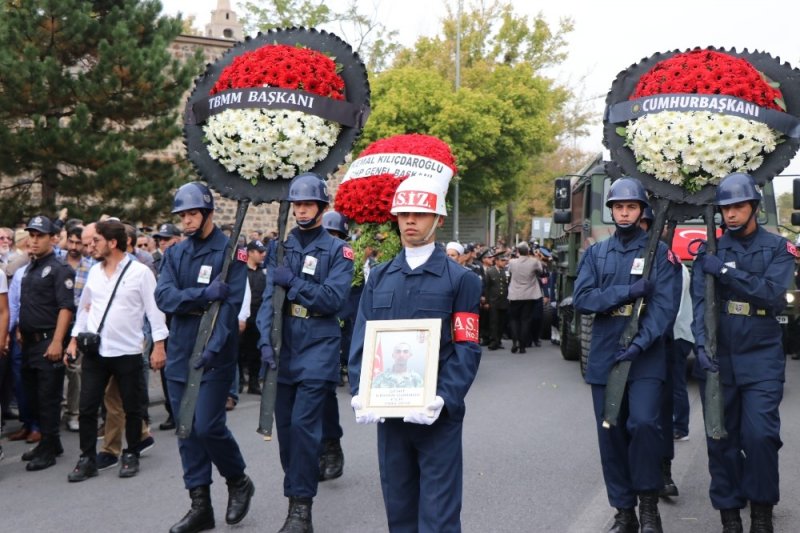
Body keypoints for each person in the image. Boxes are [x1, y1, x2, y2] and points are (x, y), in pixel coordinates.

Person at [349, 174, 482, 532]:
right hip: (391, 416)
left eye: (420, 213)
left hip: (436, 416)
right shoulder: (379, 278)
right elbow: (363, 338)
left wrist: (444, 397)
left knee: (438, 517)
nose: (410, 220)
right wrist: (359, 391)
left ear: (438, 218)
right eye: (404, 212)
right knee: (400, 511)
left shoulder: (461, 280)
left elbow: (467, 347)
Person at [691, 172, 796, 533]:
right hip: (721, 356)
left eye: (738, 207)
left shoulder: (780, 249)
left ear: (754, 207)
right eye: (725, 209)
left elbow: (770, 294)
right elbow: (700, 305)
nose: (730, 215)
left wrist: (723, 271)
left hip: (762, 353)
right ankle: (730, 515)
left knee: (761, 435)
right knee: (720, 439)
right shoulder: (710, 250)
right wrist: (702, 347)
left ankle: (762, 513)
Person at [573, 178, 678, 533]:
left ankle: (649, 506)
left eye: (631, 207)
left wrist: (641, 342)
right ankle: (624, 512)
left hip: (645, 355)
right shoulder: (595, 253)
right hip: (605, 352)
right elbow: (584, 299)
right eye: (619, 207)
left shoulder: (659, 253)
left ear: (641, 211)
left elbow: (665, 308)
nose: (624, 212)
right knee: (611, 434)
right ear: (612, 210)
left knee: (645, 424)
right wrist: (625, 291)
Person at [255, 173, 354, 533]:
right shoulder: (280, 248)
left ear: (321, 207)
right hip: (285, 345)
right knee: (286, 430)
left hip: (319, 344)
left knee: (303, 427)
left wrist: (293, 283)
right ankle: (297, 489)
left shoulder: (337, 251)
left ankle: (300, 509)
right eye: (296, 204)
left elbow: (332, 300)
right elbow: (268, 299)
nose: (301, 210)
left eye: (308, 204)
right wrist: (264, 339)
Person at [155, 182, 255, 533]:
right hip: (182, 347)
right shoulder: (174, 254)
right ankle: (200, 505)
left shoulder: (231, 253)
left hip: (214, 349)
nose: (186, 221)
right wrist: (201, 295)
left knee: (208, 426)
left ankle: (238, 479)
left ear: (208, 213)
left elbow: (229, 308)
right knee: (186, 431)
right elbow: (165, 297)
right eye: (182, 215)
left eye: (192, 213)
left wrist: (214, 347)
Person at [64, 220, 168, 482]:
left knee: (133, 407)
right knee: (88, 408)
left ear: (112, 242)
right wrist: (74, 339)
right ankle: (87, 458)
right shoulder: (95, 272)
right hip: (97, 352)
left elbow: (155, 313)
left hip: (127, 351)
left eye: (95, 241)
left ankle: (130, 453)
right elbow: (84, 308)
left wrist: (158, 346)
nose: (90, 246)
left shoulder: (140, 273)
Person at [17, 215, 75, 471]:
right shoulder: (31, 267)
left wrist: (57, 342)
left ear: (52, 238)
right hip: (29, 343)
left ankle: (49, 449)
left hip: (48, 341)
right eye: (31, 235)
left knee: (48, 397)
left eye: (39, 235)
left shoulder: (59, 269)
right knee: (33, 397)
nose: (34, 240)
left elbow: (65, 308)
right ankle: (50, 442)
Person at [318, 209, 352, 483]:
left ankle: (331, 445)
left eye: (336, 235)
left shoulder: (343, 258)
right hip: (303, 332)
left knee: (324, 393)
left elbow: (334, 298)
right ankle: (314, 450)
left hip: (331, 330)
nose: (331, 240)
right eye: (327, 234)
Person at [239, 240, 267, 395]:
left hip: (257, 317)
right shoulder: (241, 272)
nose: (263, 254)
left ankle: (254, 383)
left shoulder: (263, 272)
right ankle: (238, 383)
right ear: (250, 252)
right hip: (242, 317)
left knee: (255, 352)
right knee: (239, 351)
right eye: (259, 251)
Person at [506, 242, 545, 353]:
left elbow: (509, 271)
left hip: (515, 295)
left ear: (518, 251)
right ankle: (522, 345)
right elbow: (541, 271)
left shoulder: (512, 262)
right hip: (529, 295)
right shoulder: (534, 262)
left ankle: (515, 342)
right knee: (525, 320)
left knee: (514, 319)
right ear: (528, 251)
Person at [484, 251, 509, 350]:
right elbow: (487, 287)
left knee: (502, 322)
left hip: (504, 300)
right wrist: (486, 301)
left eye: (505, 261)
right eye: (502, 260)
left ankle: (498, 340)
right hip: (493, 301)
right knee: (494, 322)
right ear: (497, 261)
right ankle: (493, 341)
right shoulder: (490, 272)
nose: (504, 262)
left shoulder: (506, 271)